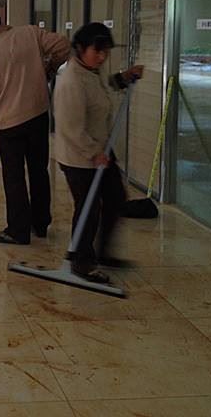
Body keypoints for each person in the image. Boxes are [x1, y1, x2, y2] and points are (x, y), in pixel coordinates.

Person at [0, 6, 71, 245]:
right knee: (39, 171)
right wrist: (47, 69)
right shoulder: (30, 34)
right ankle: (40, 223)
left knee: (14, 177)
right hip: (38, 116)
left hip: (9, 125)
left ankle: (18, 230)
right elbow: (64, 46)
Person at [53, 22, 143, 283]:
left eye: (106, 51)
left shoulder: (92, 70)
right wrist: (94, 152)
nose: (102, 56)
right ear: (80, 48)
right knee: (88, 209)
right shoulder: (71, 81)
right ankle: (81, 262)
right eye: (97, 51)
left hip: (101, 150)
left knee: (116, 198)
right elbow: (70, 128)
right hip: (79, 157)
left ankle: (102, 253)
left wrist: (123, 78)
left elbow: (104, 86)